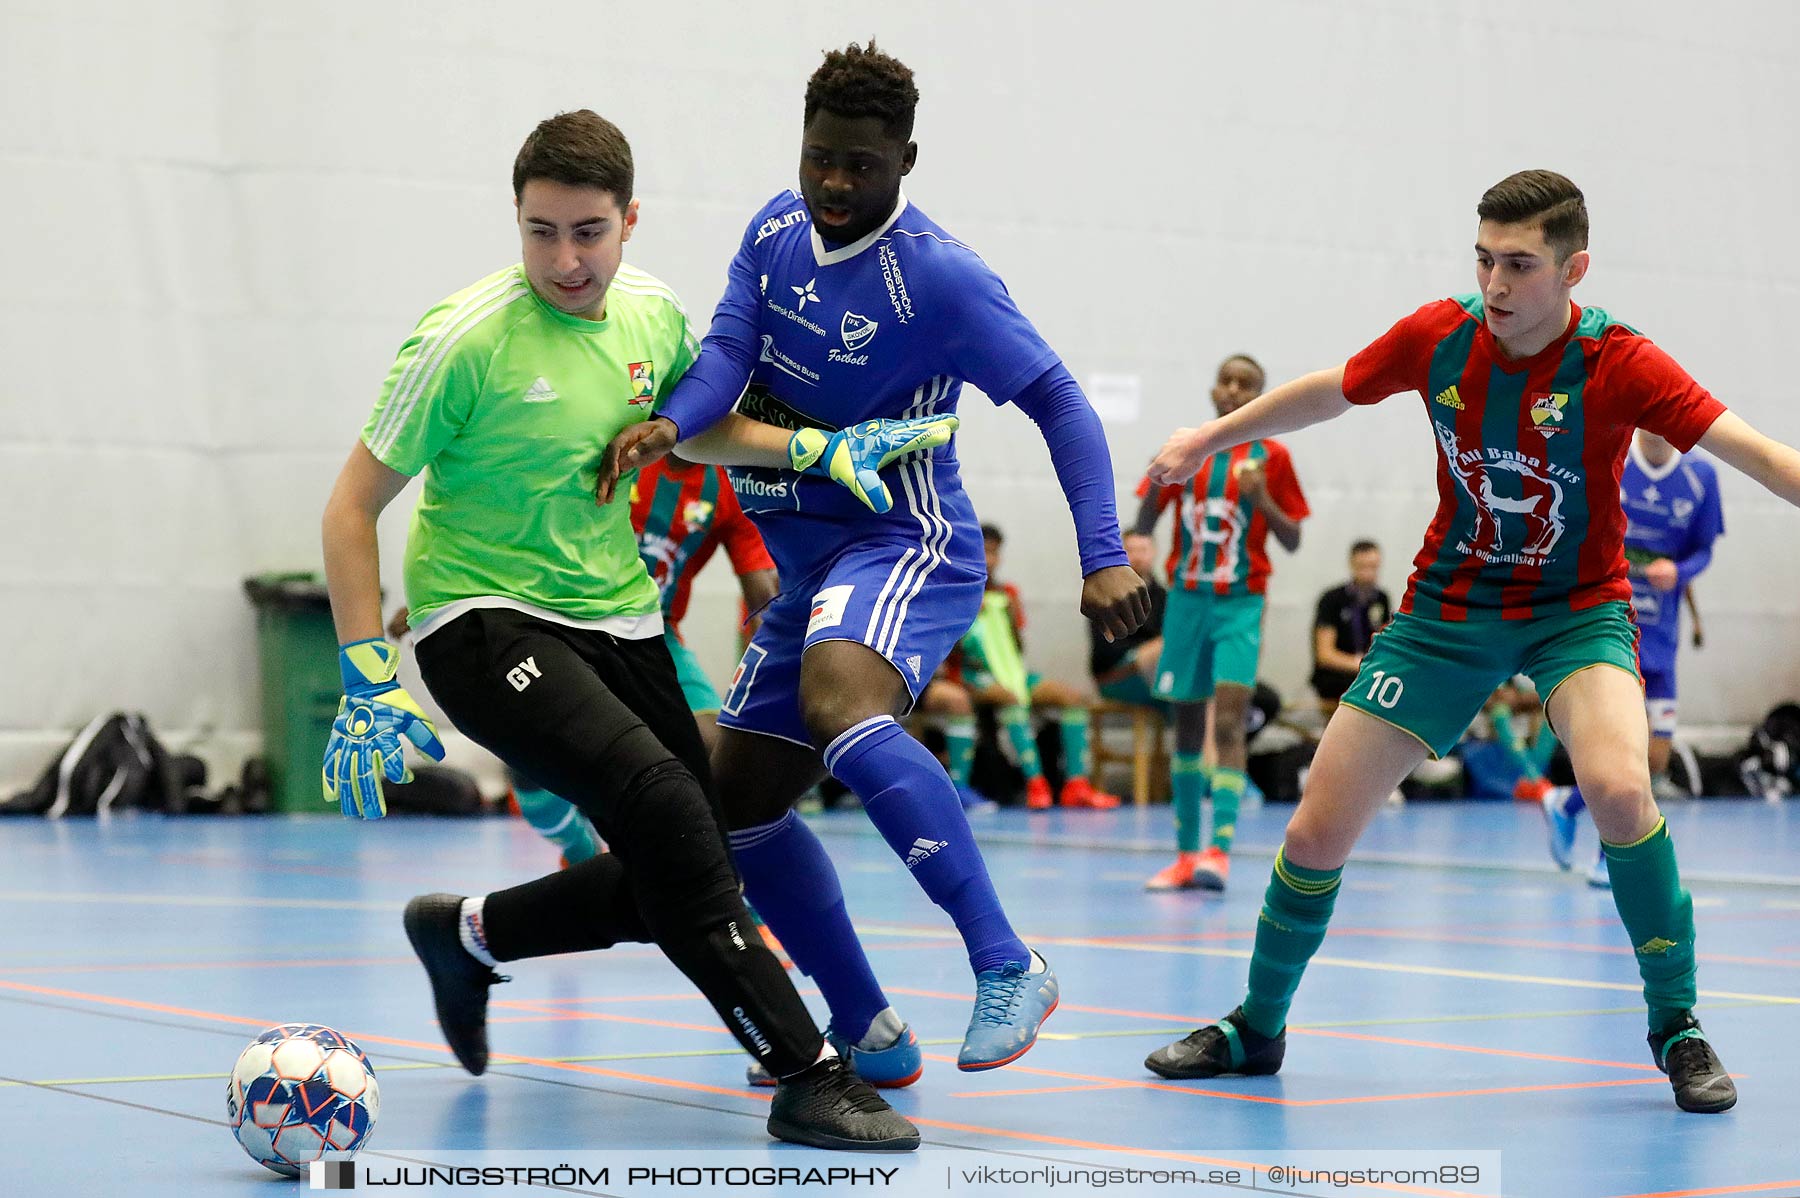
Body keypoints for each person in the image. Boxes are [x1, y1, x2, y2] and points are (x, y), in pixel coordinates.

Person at [317, 109, 940, 1150]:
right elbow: (349, 506)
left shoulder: (652, 315)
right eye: (542, 231)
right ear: (517, 224)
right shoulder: (462, 339)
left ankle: (467, 934)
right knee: (658, 804)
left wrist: (817, 452)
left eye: (589, 232)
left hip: (619, 617)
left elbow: (704, 430)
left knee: (694, 862)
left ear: (630, 221)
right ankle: (807, 1069)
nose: (566, 260)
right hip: (483, 619)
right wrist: (365, 672)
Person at [1141, 169, 1800, 1115]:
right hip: (1445, 613)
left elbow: (1765, 457)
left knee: (1618, 788)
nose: (1495, 284)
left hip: (1576, 610)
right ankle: (1256, 1026)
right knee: (1316, 825)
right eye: (1484, 258)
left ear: (1574, 269)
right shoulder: (1440, 335)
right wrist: (1209, 437)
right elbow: (1332, 391)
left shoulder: (1622, 362)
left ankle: (1678, 1026)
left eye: (1520, 264)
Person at [598, 42, 1149, 1080]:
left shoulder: (939, 278)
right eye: (820, 159)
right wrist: (670, 425)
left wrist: (1103, 553)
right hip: (807, 567)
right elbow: (725, 355)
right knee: (738, 804)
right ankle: (866, 1026)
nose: (835, 185)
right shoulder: (772, 228)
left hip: (901, 540)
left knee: (843, 703)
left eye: (860, 163)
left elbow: (1060, 399)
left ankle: (1005, 960)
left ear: (906, 158)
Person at [1135, 354, 1310, 891]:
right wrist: (1126, 552)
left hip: (1240, 603)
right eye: (1226, 381)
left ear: (1259, 397)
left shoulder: (1272, 457)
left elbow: (1292, 539)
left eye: (1246, 385)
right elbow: (1144, 518)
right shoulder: (1186, 450)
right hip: (1187, 601)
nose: (1233, 390)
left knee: (1230, 720)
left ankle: (1220, 850)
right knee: (1185, 723)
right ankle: (1186, 854)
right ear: (1213, 391)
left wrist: (1262, 500)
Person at [1544, 429, 1725, 886]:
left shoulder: (1701, 476)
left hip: (1661, 635)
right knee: (1622, 751)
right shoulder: (1611, 455)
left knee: (1656, 758)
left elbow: (1704, 550)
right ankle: (1610, 858)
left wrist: (1679, 571)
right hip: (1609, 628)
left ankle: (1566, 805)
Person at [955, 524, 1122, 810]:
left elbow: (1017, 648)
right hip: (973, 676)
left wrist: (1008, 617)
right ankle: (1035, 783)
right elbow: (952, 651)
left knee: (1073, 699)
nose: (989, 559)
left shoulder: (1007, 593)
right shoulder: (957, 590)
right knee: (1011, 700)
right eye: (984, 551)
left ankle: (1076, 785)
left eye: (995, 553)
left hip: (1013, 673)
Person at [1309, 540, 1389, 721]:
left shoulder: (1381, 599)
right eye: (1363, 567)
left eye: (1373, 567)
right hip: (1336, 677)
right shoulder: (1332, 599)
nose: (1369, 574)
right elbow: (1325, 655)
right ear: (1352, 565)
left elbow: (1384, 643)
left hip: (1367, 674)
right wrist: (1361, 664)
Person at [1093, 528, 1169, 708]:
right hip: (1116, 675)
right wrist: (1145, 652)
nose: (1137, 557)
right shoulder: (1105, 596)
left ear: (1154, 552)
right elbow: (1103, 653)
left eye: (1143, 550)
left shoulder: (1164, 597)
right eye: (1130, 550)